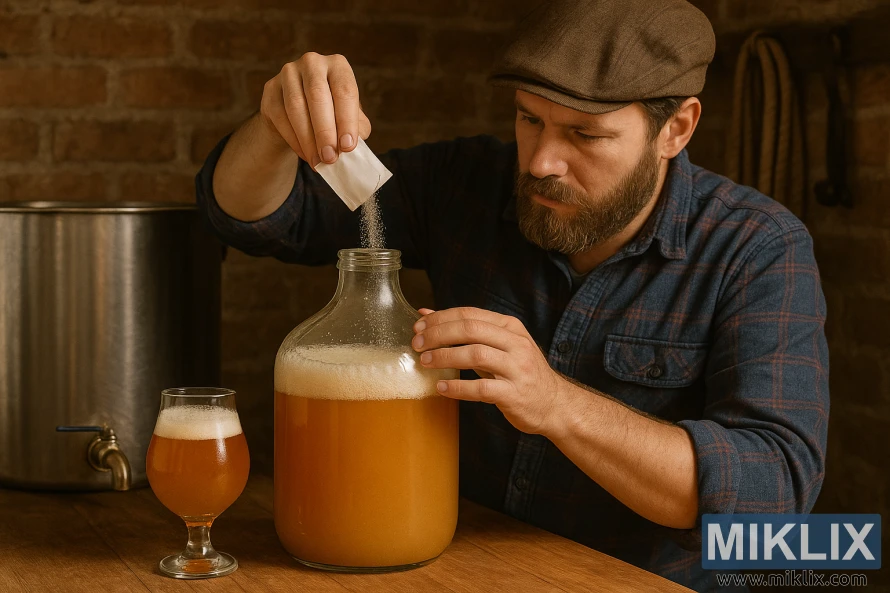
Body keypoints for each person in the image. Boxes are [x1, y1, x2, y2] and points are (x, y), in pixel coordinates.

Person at [196, 0, 829, 590]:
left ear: (676, 129)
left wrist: (554, 402)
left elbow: (770, 491)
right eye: (530, 119)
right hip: (462, 570)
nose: (541, 162)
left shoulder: (758, 247)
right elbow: (257, 217)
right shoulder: (465, 182)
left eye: (586, 135)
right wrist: (278, 125)